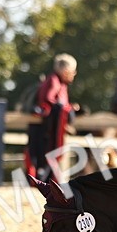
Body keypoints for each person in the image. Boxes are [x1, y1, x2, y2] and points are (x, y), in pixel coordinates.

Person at [26, 53, 80, 184]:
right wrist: (67, 110)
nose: (74, 74)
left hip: (47, 129)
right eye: (73, 71)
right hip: (46, 132)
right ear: (65, 71)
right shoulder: (54, 81)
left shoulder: (59, 83)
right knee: (45, 158)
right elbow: (48, 100)